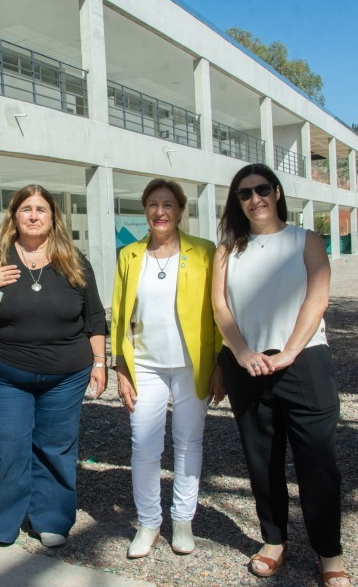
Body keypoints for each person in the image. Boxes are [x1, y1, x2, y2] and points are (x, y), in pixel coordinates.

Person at [211, 163, 351, 586]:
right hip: (248, 366)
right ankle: (273, 540)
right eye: (244, 193)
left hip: (304, 362)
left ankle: (329, 552)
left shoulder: (305, 240)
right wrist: (240, 352)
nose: (255, 199)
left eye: (262, 189)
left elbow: (318, 297)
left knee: (318, 463)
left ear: (276, 192)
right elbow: (220, 308)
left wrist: (290, 351)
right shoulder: (226, 250)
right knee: (261, 460)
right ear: (236, 202)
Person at [0, 185, 107, 552]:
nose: (34, 215)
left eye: (41, 209)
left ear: (53, 217)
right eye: (26, 209)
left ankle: (51, 519)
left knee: (56, 447)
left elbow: (95, 317)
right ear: (14, 216)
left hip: (66, 375)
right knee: (6, 445)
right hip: (4, 372)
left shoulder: (73, 260)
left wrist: (100, 363)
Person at [110, 178, 222, 558]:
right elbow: (119, 315)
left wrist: (220, 363)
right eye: (153, 205)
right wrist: (120, 366)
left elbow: (219, 312)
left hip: (193, 364)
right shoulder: (129, 255)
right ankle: (148, 523)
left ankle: (183, 520)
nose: (160, 212)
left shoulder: (205, 252)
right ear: (145, 210)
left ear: (180, 210)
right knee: (144, 444)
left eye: (168, 204)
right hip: (145, 365)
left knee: (189, 442)